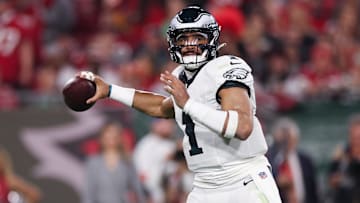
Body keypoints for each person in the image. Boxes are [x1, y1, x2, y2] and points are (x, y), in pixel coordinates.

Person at [79, 6, 282, 203]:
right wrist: (111, 91)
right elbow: (161, 107)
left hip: (243, 179)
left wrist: (188, 103)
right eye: (182, 38)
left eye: (197, 37)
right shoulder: (180, 76)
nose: (189, 44)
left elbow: (242, 127)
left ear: (212, 40)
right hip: (204, 185)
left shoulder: (226, 67)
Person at [82, 122, 146, 203]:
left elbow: (137, 188)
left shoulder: (127, 161)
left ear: (119, 138)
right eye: (108, 136)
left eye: (114, 136)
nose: (111, 139)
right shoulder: (93, 162)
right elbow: (88, 192)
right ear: (101, 139)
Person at [267, 117, 319, 203]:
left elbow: (313, 191)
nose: (287, 143)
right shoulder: (271, 161)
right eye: (284, 139)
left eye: (289, 138)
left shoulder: (306, 161)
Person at [133, 119, 177, 203]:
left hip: (170, 192)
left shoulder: (172, 143)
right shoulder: (146, 145)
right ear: (155, 125)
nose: (169, 126)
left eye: (170, 124)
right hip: (152, 193)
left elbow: (173, 170)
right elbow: (142, 173)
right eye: (164, 123)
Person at [327, 114, 360, 203]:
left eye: (358, 138)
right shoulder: (341, 155)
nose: (355, 141)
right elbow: (331, 181)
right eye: (352, 137)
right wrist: (335, 179)